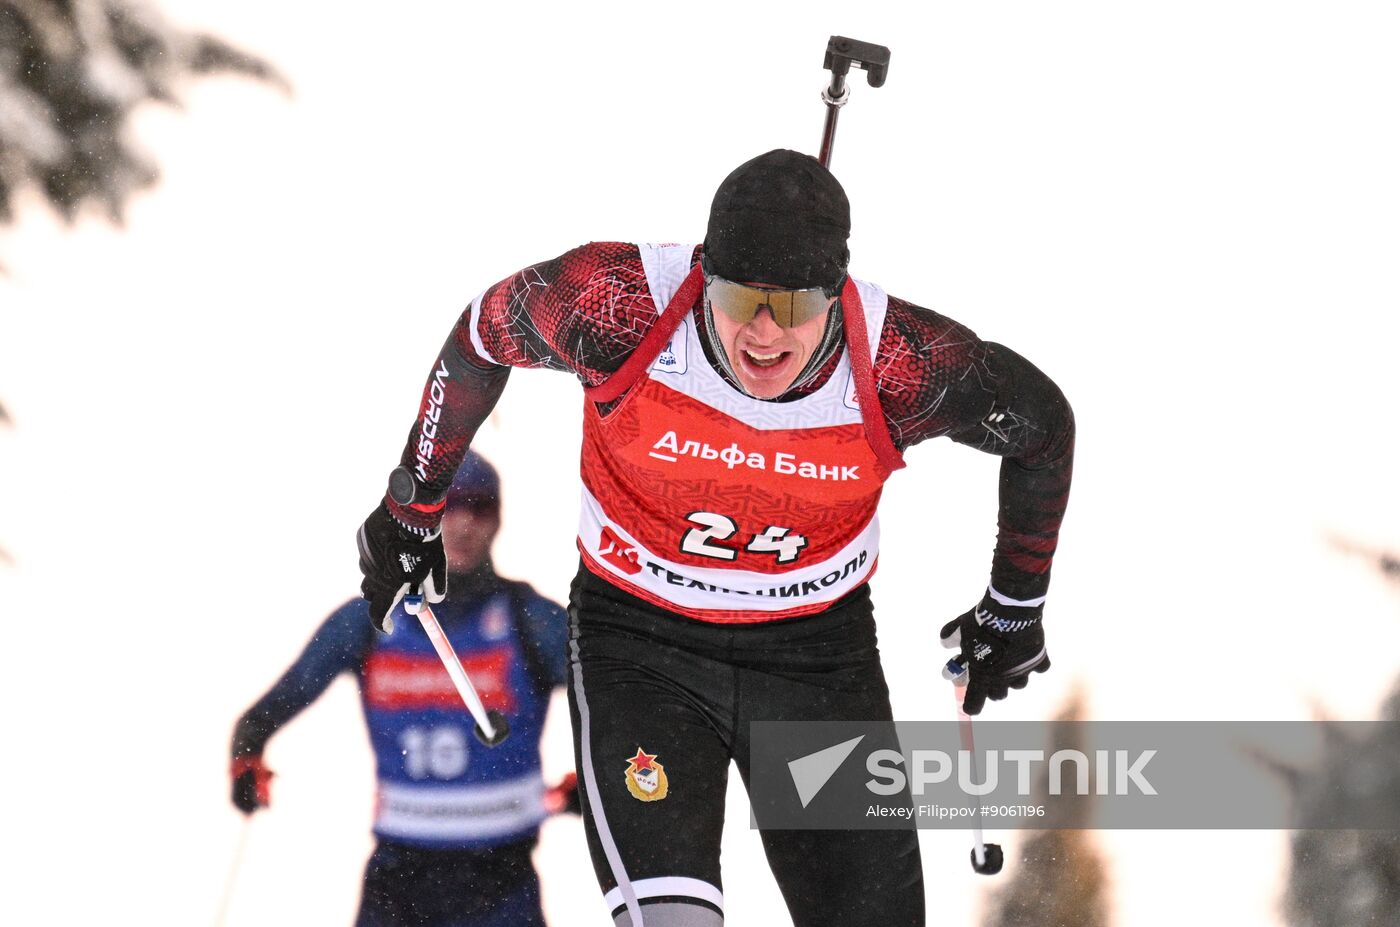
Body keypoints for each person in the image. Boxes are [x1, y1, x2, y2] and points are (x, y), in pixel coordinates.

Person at [355, 149, 1075, 927]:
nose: (763, 333)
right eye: (737, 298)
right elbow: (483, 332)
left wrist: (1014, 604)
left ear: (837, 291)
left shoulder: (900, 363)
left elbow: (1042, 431)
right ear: (704, 272)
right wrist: (413, 502)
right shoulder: (620, 305)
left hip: (813, 664)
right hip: (641, 648)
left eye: (795, 305)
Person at [233, 452, 575, 927]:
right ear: (420, 519)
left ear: (498, 519)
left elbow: (615, 705)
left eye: (479, 508)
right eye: (447, 507)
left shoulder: (529, 619)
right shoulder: (370, 621)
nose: (463, 524)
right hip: (401, 878)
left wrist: (601, 781)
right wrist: (246, 756)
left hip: (501, 878)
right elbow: (269, 710)